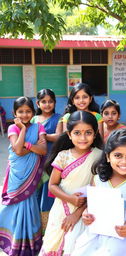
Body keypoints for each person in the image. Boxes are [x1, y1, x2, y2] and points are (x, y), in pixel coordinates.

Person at [72, 129, 126, 256]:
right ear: (108, 157)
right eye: (118, 155)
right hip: (96, 234)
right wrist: (86, 214)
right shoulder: (98, 180)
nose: (124, 161)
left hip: (123, 238)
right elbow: (91, 206)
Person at [39, 111, 102, 256]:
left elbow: (97, 191)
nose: (83, 137)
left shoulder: (100, 156)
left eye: (88, 132)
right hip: (60, 209)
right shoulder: (63, 156)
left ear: (96, 133)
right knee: (52, 244)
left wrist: (77, 214)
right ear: (69, 134)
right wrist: (71, 199)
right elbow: (52, 185)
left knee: (76, 247)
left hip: (86, 212)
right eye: (77, 133)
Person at [0, 96, 47, 255]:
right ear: (15, 113)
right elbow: (18, 150)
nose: (25, 115)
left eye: (28, 111)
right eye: (21, 111)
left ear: (33, 112)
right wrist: (24, 130)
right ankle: (12, 241)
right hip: (17, 173)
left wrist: (27, 145)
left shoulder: (39, 126)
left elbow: (43, 150)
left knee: (29, 204)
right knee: (14, 205)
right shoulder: (13, 128)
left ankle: (29, 243)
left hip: (31, 175)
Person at [31, 89, 62, 232]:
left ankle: (48, 229)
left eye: (50, 101)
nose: (47, 104)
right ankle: (35, 227)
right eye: (43, 101)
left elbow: (59, 136)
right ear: (38, 103)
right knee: (34, 195)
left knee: (47, 195)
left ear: (54, 103)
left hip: (50, 163)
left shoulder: (59, 118)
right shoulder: (33, 119)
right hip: (34, 162)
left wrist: (43, 135)